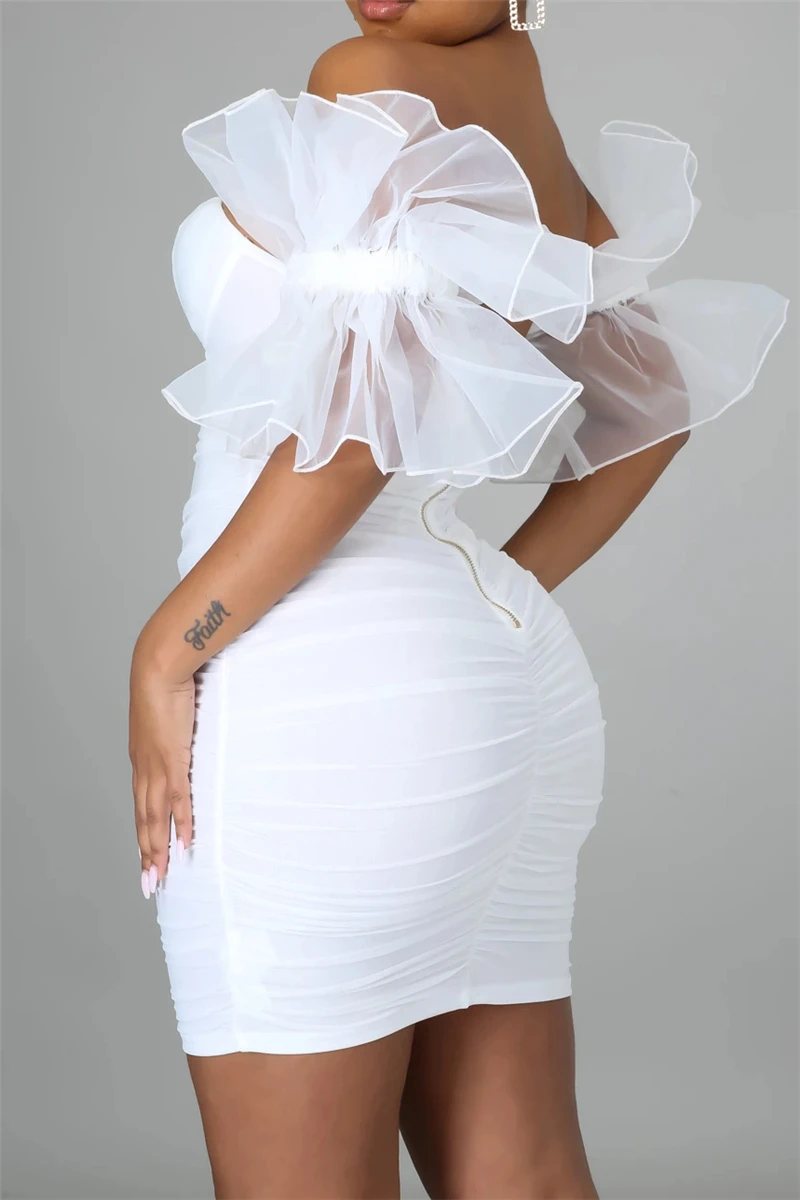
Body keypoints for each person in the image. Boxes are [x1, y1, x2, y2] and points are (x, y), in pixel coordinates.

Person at [128, 2, 788, 1196]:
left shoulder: (365, 74)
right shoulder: (524, 113)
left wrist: (172, 647)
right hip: (497, 690)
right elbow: (652, 394)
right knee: (521, 1178)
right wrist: (493, 589)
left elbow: (360, 419)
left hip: (323, 699)